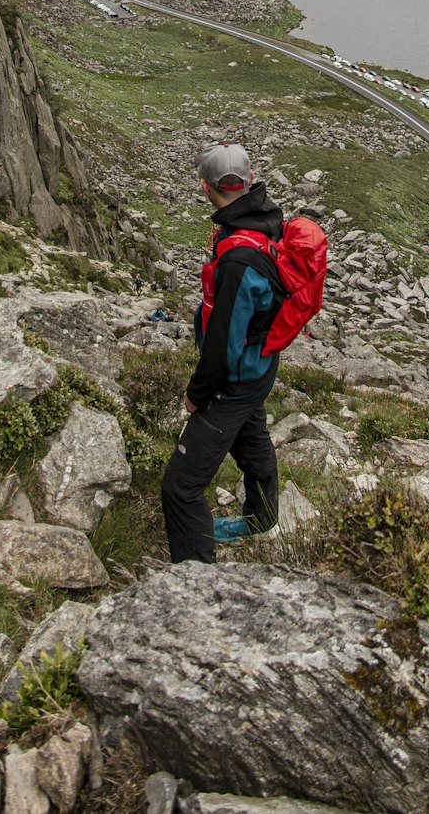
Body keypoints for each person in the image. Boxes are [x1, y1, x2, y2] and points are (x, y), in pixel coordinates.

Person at [161, 141, 284, 563]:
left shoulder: (237, 258)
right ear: (248, 182)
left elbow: (222, 346)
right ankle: (262, 519)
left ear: (204, 186)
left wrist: (197, 394)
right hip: (261, 366)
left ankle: (195, 578)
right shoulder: (265, 218)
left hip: (234, 380)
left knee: (181, 485)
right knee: (253, 439)